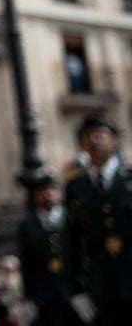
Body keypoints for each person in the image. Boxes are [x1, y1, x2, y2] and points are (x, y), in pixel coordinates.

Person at [64, 114, 132, 324]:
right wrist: (76, 289)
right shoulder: (75, 187)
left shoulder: (129, 178)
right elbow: (72, 240)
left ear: (114, 141)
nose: (95, 140)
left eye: (101, 135)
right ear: (82, 145)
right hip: (101, 281)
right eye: (88, 136)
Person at [18, 176, 72, 326]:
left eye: (53, 189)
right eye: (42, 190)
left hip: (72, 290)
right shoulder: (27, 224)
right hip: (45, 295)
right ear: (36, 195)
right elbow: (26, 262)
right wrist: (29, 297)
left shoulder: (70, 218)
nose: (48, 194)